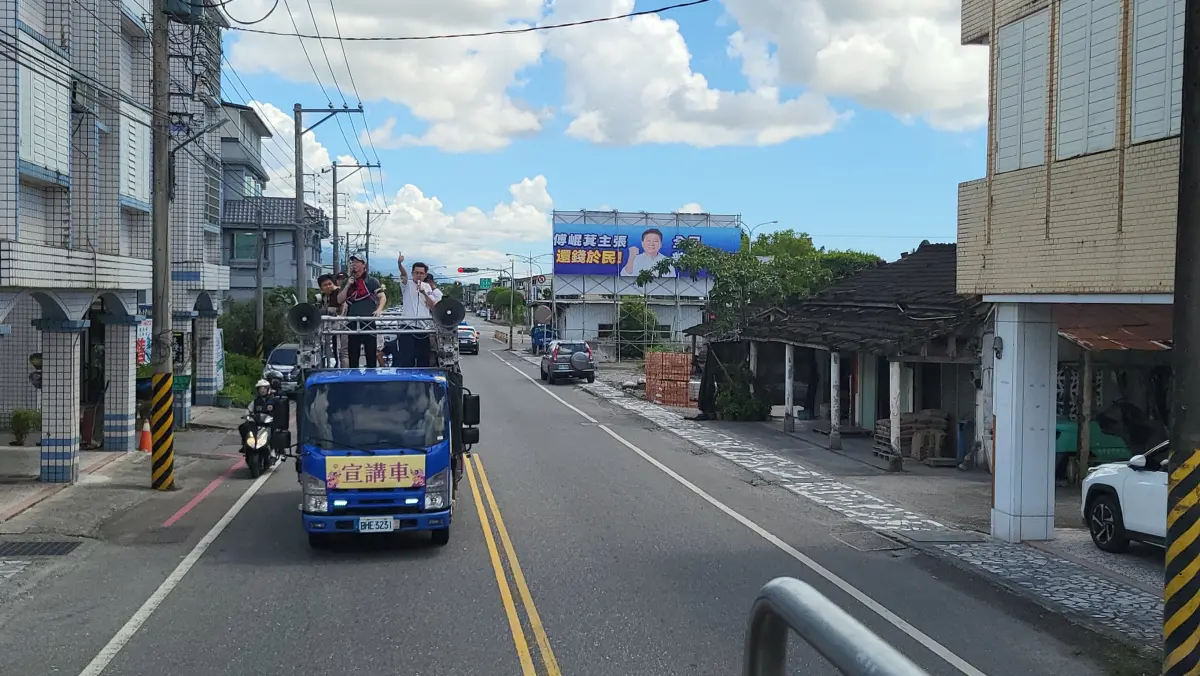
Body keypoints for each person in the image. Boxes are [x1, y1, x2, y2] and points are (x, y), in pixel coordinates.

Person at [335, 254, 387, 367]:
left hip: (369, 321)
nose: (354, 264)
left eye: (357, 262)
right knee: (353, 355)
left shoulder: (372, 281)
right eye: (352, 262)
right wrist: (348, 285)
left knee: (371, 355)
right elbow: (339, 300)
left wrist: (379, 310)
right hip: (352, 322)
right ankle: (353, 380)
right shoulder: (347, 282)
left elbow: (382, 297)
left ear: (364, 265)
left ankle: (371, 379)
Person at [395, 254, 440, 367]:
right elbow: (403, 274)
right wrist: (400, 264)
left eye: (421, 273)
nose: (418, 275)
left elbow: (432, 305)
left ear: (425, 275)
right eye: (416, 273)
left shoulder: (427, 287)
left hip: (423, 327)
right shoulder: (407, 284)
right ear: (412, 273)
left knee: (423, 359)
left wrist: (423, 292)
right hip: (407, 326)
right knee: (406, 359)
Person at [317, 274, 348, 366]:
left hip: (343, 327)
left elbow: (333, 309)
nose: (328, 286)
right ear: (321, 287)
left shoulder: (338, 293)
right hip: (331, 329)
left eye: (329, 284)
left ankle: (344, 373)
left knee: (343, 353)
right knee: (331, 352)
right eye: (325, 285)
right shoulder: (323, 297)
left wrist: (323, 311)